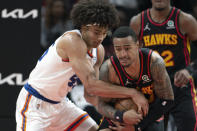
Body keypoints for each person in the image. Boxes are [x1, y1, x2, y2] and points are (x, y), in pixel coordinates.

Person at [15, 0, 149, 131]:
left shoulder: (99, 50)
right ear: (84, 26)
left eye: (104, 33)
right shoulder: (72, 41)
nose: (100, 38)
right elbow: (92, 84)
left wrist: (115, 116)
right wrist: (132, 93)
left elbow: (90, 94)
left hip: (61, 105)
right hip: (35, 104)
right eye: (96, 32)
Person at [130, 0, 197, 130]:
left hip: (179, 85)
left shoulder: (185, 20)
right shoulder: (138, 22)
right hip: (151, 87)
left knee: (190, 124)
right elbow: (130, 57)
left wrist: (188, 70)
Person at [93, 26, 174, 131]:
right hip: (120, 114)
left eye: (127, 48)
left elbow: (167, 100)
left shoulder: (154, 62)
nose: (123, 54)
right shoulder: (108, 69)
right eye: (118, 49)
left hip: (150, 115)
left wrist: (136, 127)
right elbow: (100, 104)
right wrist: (121, 116)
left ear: (138, 45)